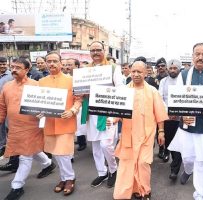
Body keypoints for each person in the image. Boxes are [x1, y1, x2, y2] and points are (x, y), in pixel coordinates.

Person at [168, 43, 203, 200]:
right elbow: (177, 100)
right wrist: (182, 115)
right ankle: (188, 170)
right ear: (192, 56)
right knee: (188, 158)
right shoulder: (183, 75)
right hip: (187, 124)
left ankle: (200, 195)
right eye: (197, 54)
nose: (200, 57)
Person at [0, 58, 55, 200]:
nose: (14, 70)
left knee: (25, 155)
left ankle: (17, 186)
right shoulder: (6, 86)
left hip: (32, 127)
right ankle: (48, 164)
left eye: (18, 67)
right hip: (14, 127)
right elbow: (2, 107)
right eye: (12, 67)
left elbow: (46, 106)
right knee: (32, 150)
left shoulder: (36, 85)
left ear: (26, 70)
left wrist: (44, 115)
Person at [113, 61, 168, 200]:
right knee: (128, 163)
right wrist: (113, 119)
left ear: (145, 73)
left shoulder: (152, 91)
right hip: (128, 134)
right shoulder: (124, 90)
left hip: (146, 134)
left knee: (143, 163)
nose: (136, 74)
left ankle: (145, 190)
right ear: (130, 72)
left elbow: (159, 113)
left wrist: (161, 131)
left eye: (139, 72)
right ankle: (132, 190)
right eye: (134, 71)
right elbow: (117, 112)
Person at [39, 51, 82, 196]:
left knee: (63, 153)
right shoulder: (42, 82)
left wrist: (73, 110)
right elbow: (39, 102)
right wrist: (38, 111)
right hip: (49, 123)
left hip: (66, 122)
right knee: (56, 153)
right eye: (49, 61)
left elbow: (78, 99)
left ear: (60, 63)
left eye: (54, 61)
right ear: (46, 63)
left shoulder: (71, 80)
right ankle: (63, 178)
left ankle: (70, 178)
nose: (51, 63)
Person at [83, 41, 123, 188]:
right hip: (91, 112)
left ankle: (113, 169)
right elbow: (80, 90)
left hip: (107, 111)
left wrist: (115, 114)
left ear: (104, 51)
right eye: (92, 50)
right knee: (96, 146)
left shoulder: (113, 68)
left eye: (98, 50)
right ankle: (102, 172)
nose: (95, 53)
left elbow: (120, 90)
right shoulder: (85, 70)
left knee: (106, 145)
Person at [158, 59, 182, 180]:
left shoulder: (184, 80)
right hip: (166, 117)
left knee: (177, 143)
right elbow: (160, 98)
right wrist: (169, 111)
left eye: (175, 68)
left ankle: (175, 169)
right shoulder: (163, 81)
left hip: (180, 118)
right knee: (169, 142)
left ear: (179, 69)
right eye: (170, 68)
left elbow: (185, 97)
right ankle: (173, 159)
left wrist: (176, 112)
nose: (172, 70)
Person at [0, 57, 13, 159]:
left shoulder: (12, 75)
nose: (2, 66)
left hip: (9, 106)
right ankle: (2, 146)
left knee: (10, 126)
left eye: (4, 64)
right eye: (1, 64)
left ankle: (11, 148)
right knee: (1, 127)